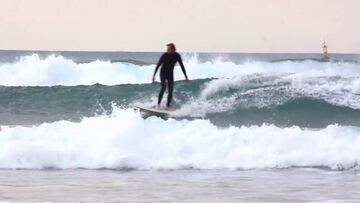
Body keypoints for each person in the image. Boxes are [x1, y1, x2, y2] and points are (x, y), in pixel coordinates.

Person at [152, 43, 189, 110]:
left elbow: (182, 66)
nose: (167, 50)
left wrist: (186, 76)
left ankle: (168, 106)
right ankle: (158, 104)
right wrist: (154, 75)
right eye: (167, 49)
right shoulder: (164, 55)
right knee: (163, 87)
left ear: (173, 49)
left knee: (170, 90)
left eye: (168, 49)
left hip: (170, 74)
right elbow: (158, 65)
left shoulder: (177, 56)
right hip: (163, 73)